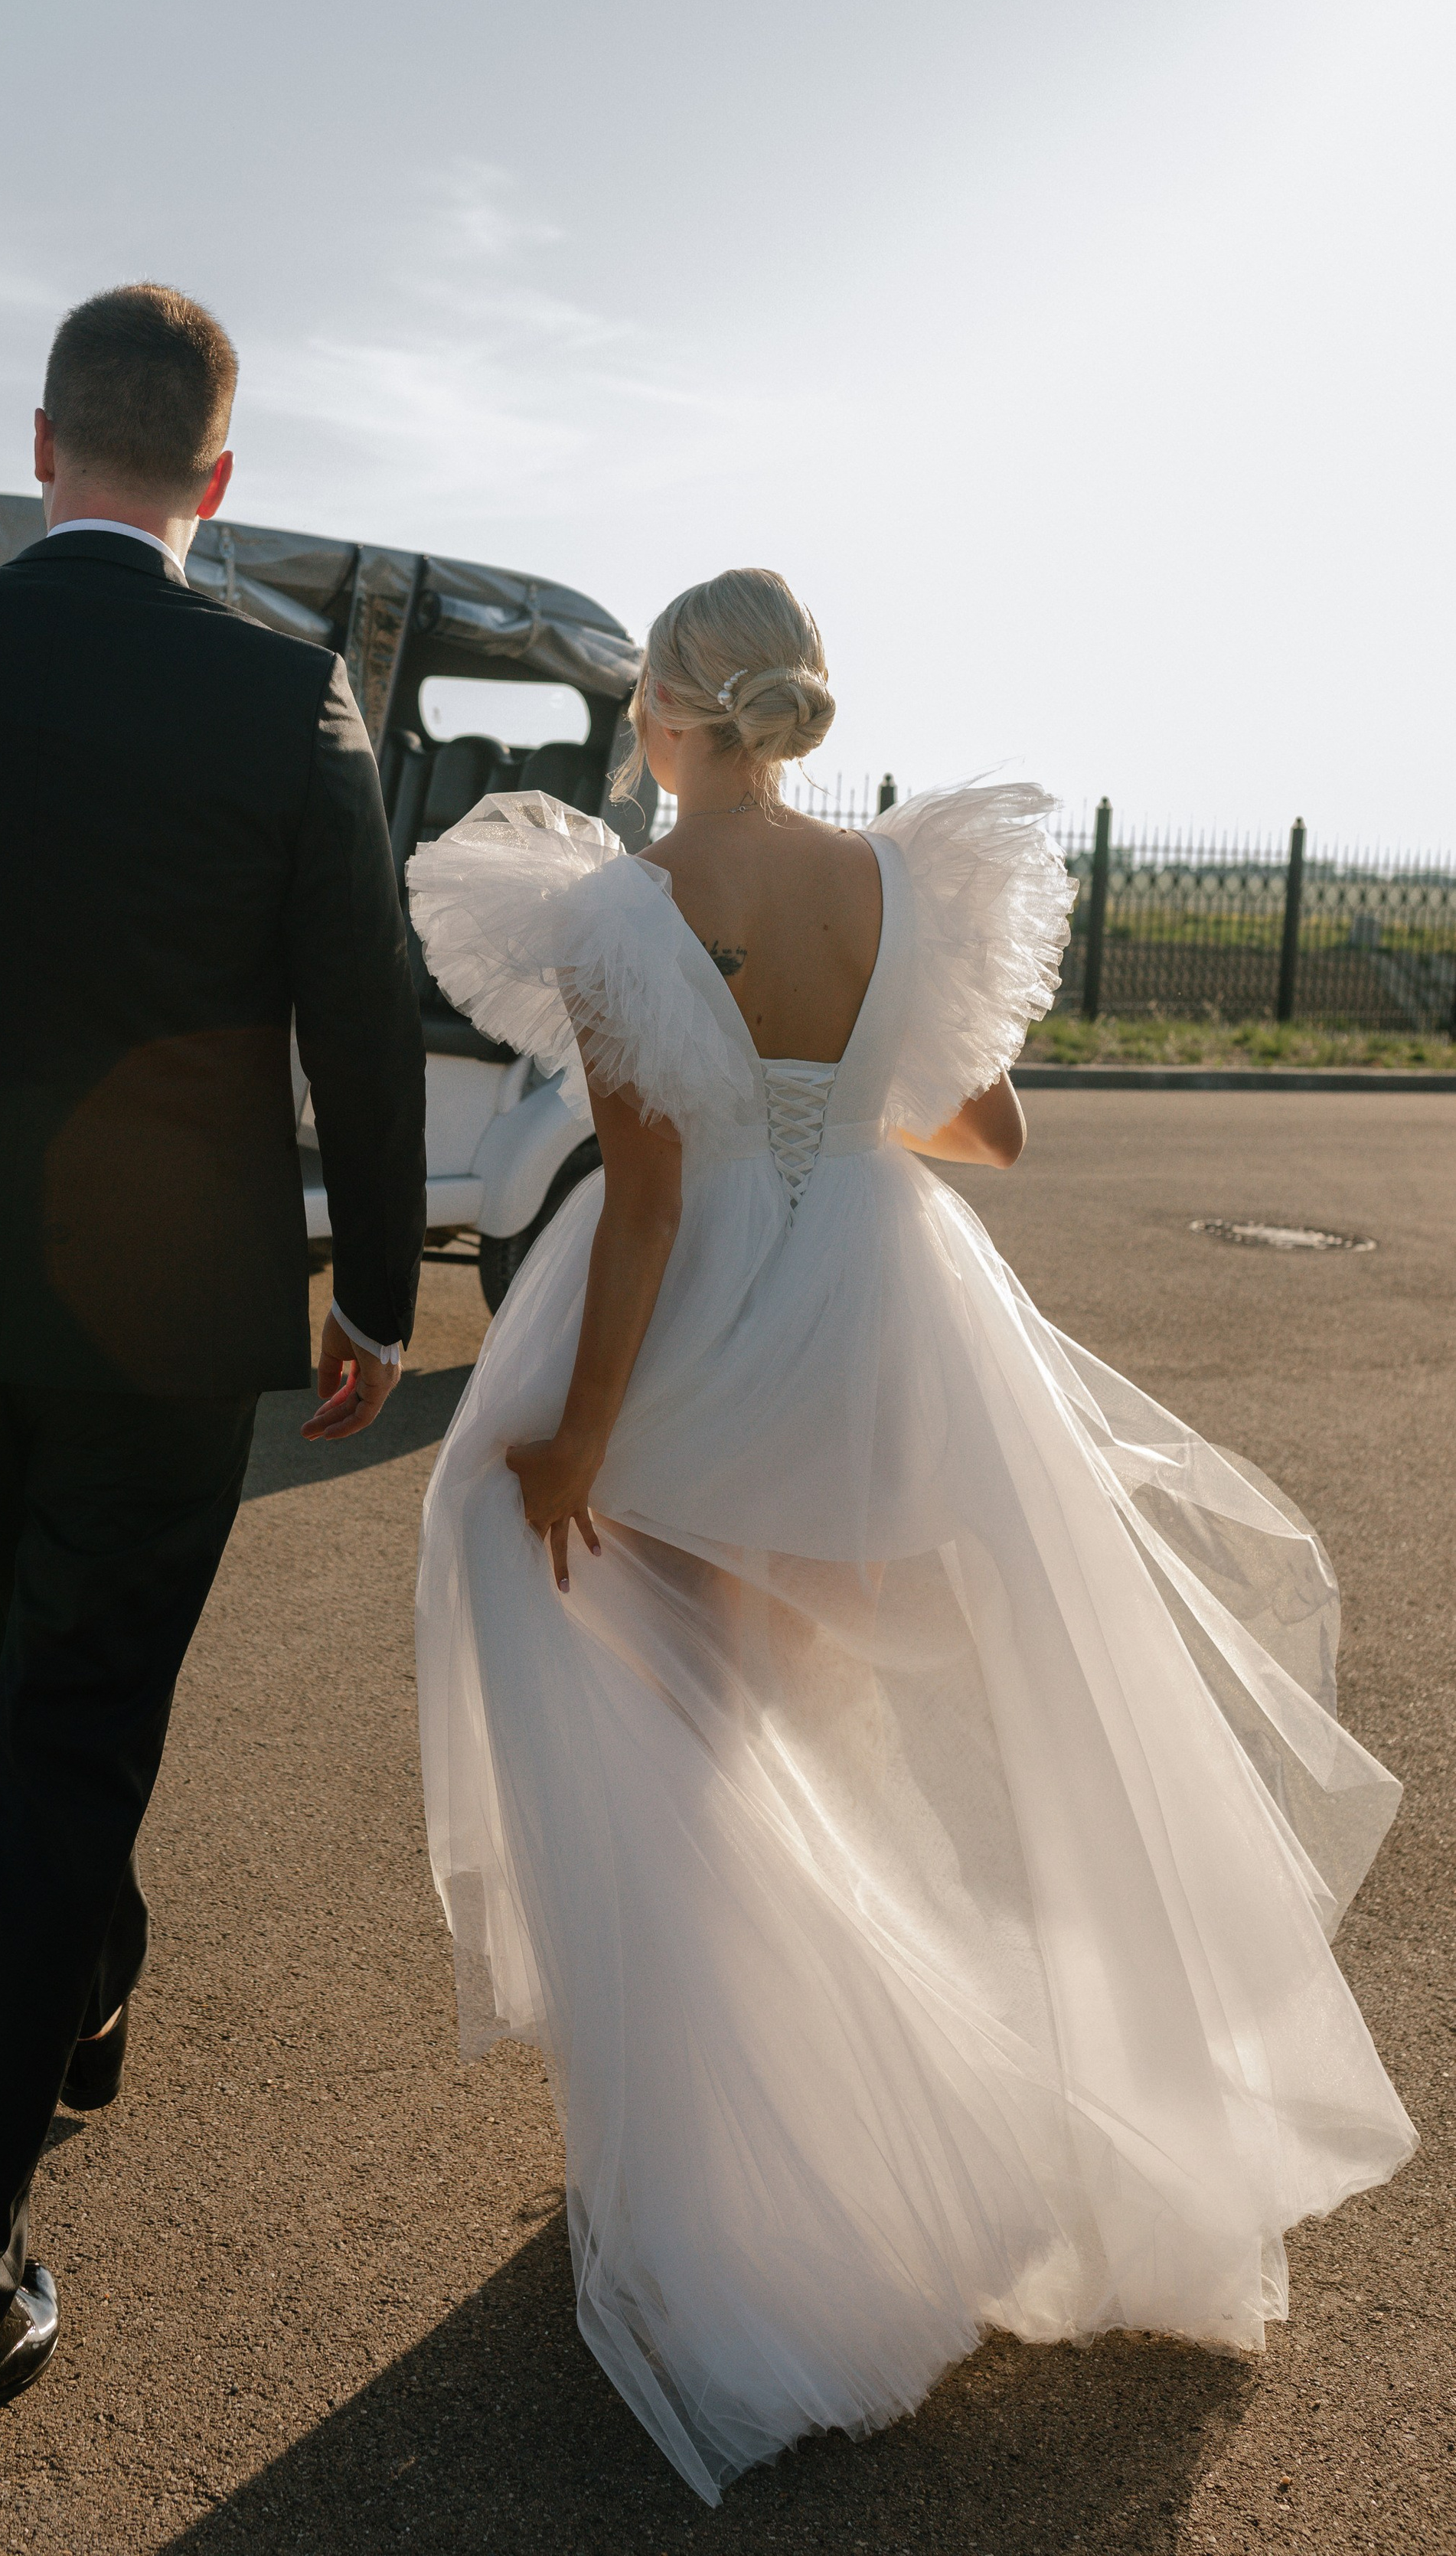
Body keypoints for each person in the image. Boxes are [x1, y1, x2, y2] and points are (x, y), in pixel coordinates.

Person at [406, 567, 1414, 2504]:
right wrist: (838, 1098)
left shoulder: (628, 905)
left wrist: (574, 1442)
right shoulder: (893, 885)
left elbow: (634, 1202)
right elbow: (991, 1134)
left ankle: (772, 2193)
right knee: (783, 1749)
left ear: (658, 712)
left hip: (704, 1342)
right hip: (872, 1355)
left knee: (598, 1674)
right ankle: (859, 2131)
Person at [0, 282, 426, 2447]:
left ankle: (82, 1972)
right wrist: (379, 1293)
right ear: (219, 481)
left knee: (24, 1683)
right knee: (75, 1733)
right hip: (154, 1324)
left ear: (42, 448)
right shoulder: (287, 694)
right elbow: (364, 1018)